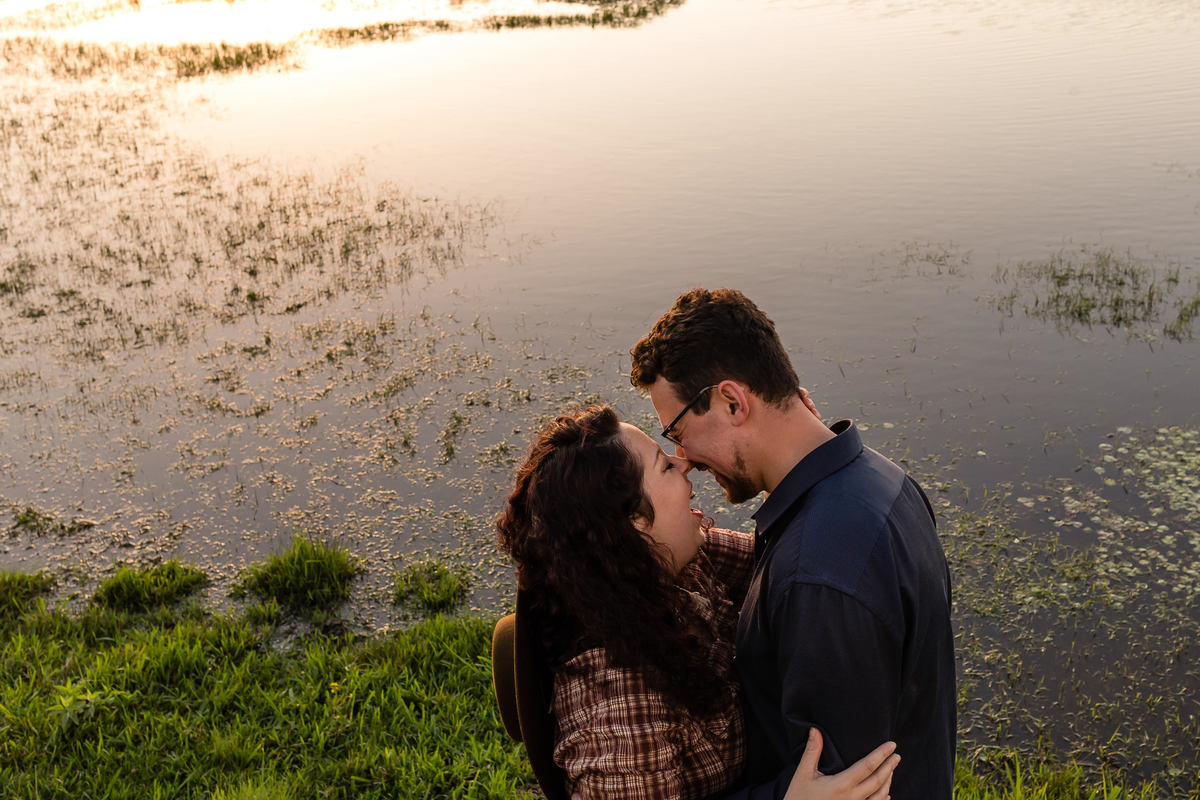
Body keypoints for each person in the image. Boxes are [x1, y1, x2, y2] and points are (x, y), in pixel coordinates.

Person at [630, 288, 956, 800]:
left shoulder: (818, 575)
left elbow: (838, 788)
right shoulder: (884, 480)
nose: (683, 457)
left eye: (677, 430)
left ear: (732, 401)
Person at [495, 404, 900, 800]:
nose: (684, 464)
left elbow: (785, 558)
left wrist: (792, 445)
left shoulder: (656, 563)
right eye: (664, 466)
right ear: (633, 522)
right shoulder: (621, 712)